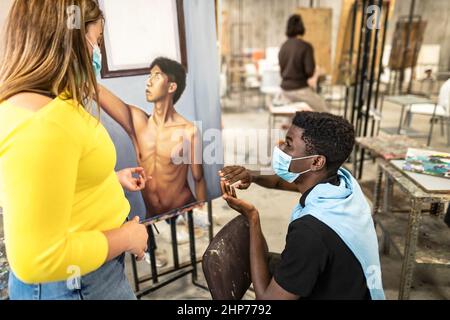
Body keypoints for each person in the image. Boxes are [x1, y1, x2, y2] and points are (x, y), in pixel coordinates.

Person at [0, 0, 148, 300]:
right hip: (76, 284)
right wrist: (127, 237)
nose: (97, 53)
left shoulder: (55, 103)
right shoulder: (43, 122)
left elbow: (56, 181)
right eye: (95, 42)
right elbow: (38, 258)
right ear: (70, 40)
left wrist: (108, 179)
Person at [219, 112, 385, 300]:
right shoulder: (344, 184)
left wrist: (253, 218)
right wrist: (252, 175)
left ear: (316, 162)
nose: (280, 148)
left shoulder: (311, 231)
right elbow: (281, 182)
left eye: (289, 144)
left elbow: (266, 301)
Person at [278, 14, 329, 112]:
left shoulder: (283, 46)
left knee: (296, 113)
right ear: (302, 28)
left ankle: (288, 123)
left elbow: (281, 71)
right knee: (324, 111)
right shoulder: (306, 46)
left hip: (284, 90)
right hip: (300, 89)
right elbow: (309, 72)